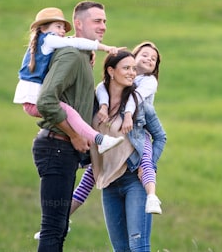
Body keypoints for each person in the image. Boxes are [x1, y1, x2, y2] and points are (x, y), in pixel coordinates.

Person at [31, 0, 108, 252]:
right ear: (78, 24)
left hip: (64, 148)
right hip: (57, 145)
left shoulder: (83, 57)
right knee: (53, 227)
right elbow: (46, 100)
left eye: (104, 22)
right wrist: (75, 135)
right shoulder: (72, 56)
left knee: (59, 226)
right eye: (96, 21)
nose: (102, 26)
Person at [89, 50, 167, 252]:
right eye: (127, 68)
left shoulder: (140, 105)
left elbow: (160, 137)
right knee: (120, 251)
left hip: (134, 180)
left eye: (134, 69)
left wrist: (148, 166)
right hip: (109, 183)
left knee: (139, 247)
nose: (133, 72)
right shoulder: (96, 104)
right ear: (111, 71)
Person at [69, 41, 164, 216]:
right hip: (113, 137)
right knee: (90, 176)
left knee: (146, 162)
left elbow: (136, 96)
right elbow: (101, 89)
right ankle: (64, 219)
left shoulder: (148, 82)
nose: (149, 60)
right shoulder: (125, 78)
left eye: (154, 59)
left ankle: (152, 196)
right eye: (145, 55)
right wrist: (104, 107)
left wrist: (128, 115)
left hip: (138, 132)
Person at [14, 6, 124, 155]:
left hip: (59, 145)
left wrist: (88, 52)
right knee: (70, 113)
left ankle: (98, 140)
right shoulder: (60, 47)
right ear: (44, 29)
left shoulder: (51, 44)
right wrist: (105, 48)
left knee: (70, 112)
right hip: (57, 145)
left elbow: (71, 41)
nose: (62, 31)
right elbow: (46, 102)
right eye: (58, 27)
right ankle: (100, 140)